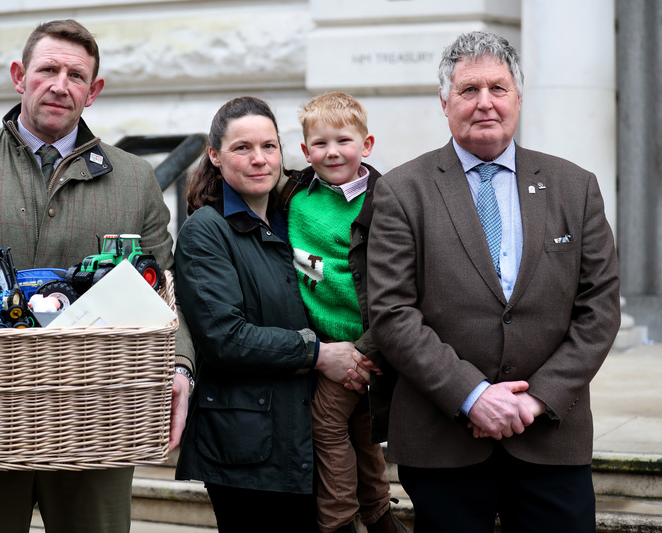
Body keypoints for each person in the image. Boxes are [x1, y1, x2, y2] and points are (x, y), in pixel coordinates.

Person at [0, 19, 194, 533]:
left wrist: (179, 368)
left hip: (98, 425)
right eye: (48, 69)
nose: (59, 84)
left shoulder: (134, 179)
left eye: (76, 75)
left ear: (92, 92)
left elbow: (167, 291)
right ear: (19, 76)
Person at [367, 31, 621, 532]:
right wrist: (472, 395)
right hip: (444, 440)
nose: (485, 102)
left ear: (519, 99)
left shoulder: (576, 187)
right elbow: (392, 313)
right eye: (468, 90)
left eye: (498, 88)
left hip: (551, 437)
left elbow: (600, 308)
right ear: (445, 102)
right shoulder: (402, 191)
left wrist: (537, 397)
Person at [173, 96, 371, 533]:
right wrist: (319, 353)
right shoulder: (207, 230)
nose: (259, 159)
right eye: (242, 148)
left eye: (269, 146)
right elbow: (225, 338)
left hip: (303, 434)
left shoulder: (295, 218)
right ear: (214, 155)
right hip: (244, 447)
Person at [280, 92, 407, 533]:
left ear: (366, 145)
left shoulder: (384, 199)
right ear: (304, 151)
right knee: (359, 428)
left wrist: (368, 350)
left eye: (344, 141)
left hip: (368, 339)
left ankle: (337, 521)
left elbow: (401, 280)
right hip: (321, 339)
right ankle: (379, 516)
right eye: (320, 143)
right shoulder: (295, 195)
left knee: (327, 422)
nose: (332, 152)